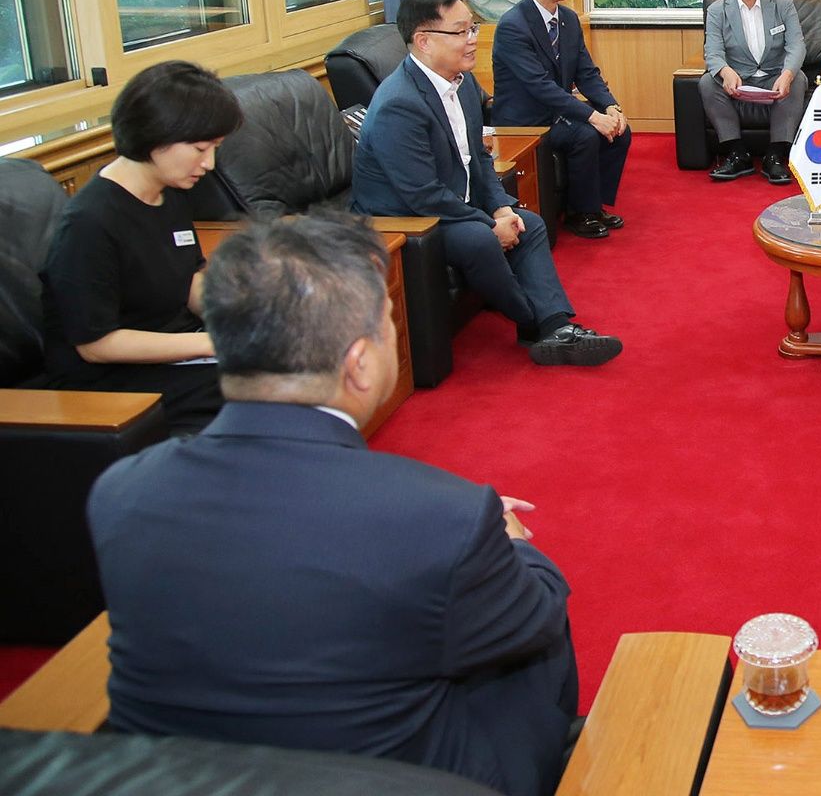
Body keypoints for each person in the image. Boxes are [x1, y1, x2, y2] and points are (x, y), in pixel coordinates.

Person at [88, 214, 579, 796]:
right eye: (389, 324)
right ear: (359, 363)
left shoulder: (121, 489)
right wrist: (509, 541)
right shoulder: (445, 518)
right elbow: (534, 613)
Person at [353, 0, 621, 368]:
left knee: (529, 223)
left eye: (473, 28)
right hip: (407, 215)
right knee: (480, 239)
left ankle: (553, 327)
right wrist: (487, 223)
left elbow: (478, 158)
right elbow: (421, 194)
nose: (472, 40)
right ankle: (538, 321)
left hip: (449, 199)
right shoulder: (400, 104)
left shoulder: (461, 87)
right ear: (424, 41)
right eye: (461, 31)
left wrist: (500, 208)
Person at [38, 61, 242, 434]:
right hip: (110, 379)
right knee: (258, 390)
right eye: (200, 148)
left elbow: (189, 278)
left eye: (215, 148)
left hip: (174, 349)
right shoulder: (90, 222)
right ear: (156, 137)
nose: (209, 164)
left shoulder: (170, 192)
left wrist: (237, 315)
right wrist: (210, 344)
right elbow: (96, 344)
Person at [492, 0, 631, 240]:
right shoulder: (513, 26)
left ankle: (593, 204)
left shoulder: (567, 19)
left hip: (559, 111)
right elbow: (540, 87)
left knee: (620, 129)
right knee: (585, 133)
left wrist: (610, 106)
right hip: (527, 120)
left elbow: (586, 72)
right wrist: (593, 117)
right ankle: (580, 214)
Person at [700, 0, 806, 184]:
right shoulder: (717, 10)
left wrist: (787, 74)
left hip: (774, 78)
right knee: (707, 82)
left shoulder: (783, 5)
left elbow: (797, 45)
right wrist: (725, 71)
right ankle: (737, 153)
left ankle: (776, 155)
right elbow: (712, 52)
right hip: (738, 80)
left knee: (798, 77)